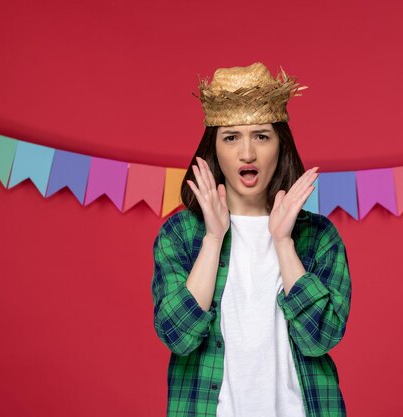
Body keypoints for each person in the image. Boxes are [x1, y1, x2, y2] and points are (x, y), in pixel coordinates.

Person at [151, 62, 352, 417]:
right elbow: (177, 336)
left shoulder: (319, 237)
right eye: (231, 137)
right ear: (214, 150)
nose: (247, 153)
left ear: (280, 145)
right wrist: (213, 238)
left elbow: (321, 337)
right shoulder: (180, 235)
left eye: (261, 135)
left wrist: (283, 242)